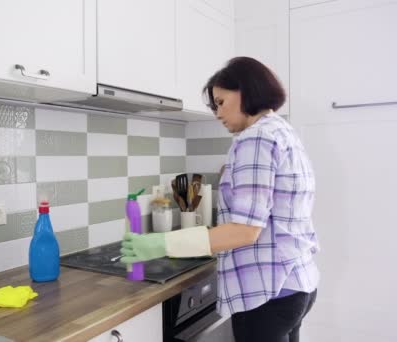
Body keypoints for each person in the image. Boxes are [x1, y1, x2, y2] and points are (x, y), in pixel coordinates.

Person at [120, 56, 320, 342]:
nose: (216, 113)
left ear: (246, 91)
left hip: (267, 293)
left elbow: (245, 231)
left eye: (221, 102)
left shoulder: (256, 138)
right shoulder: (282, 131)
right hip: (296, 284)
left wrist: (159, 244)